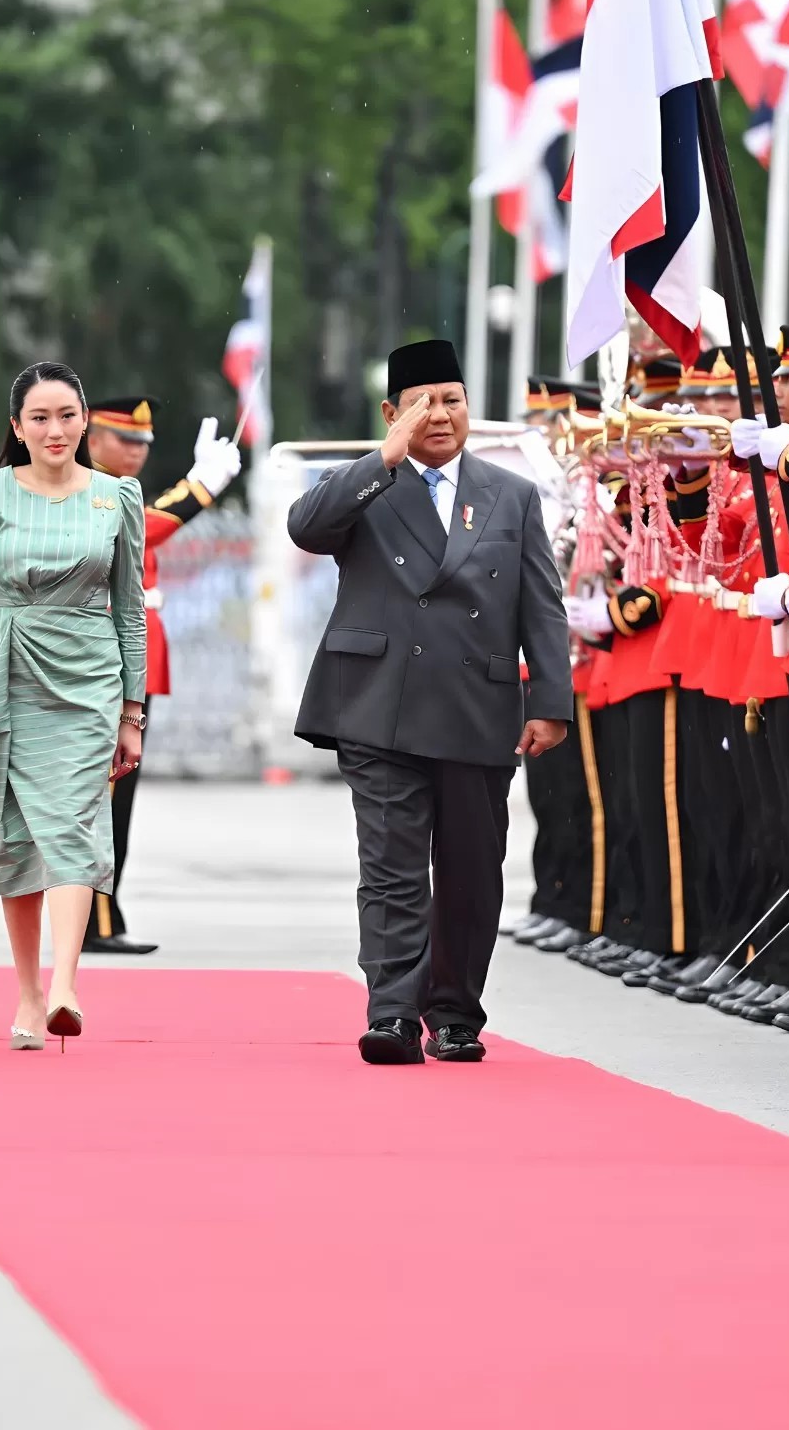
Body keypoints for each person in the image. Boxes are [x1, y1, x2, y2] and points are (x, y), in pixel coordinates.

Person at [287, 338, 572, 1064]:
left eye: (452, 400)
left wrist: (550, 700)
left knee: (472, 873)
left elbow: (541, 605)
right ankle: (390, 1012)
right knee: (391, 868)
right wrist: (382, 459)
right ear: (392, 414)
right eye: (422, 404)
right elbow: (306, 527)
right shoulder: (367, 483)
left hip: (477, 706)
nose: (439, 415)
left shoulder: (511, 495)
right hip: (378, 706)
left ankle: (454, 1014)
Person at [0, 362, 149, 1051]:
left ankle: (65, 985)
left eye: (66, 415)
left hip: (88, 681)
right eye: (39, 417)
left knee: (71, 823)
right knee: (13, 835)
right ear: (17, 427)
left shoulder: (117, 498)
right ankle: (29, 993)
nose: (55, 429)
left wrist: (131, 713)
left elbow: (129, 613)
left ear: (85, 420)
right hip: (2, 675)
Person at [80, 395, 244, 955]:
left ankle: (103, 914)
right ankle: (96, 920)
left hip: (133, 659)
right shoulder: (86, 491)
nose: (137, 451)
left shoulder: (116, 490)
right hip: (102, 661)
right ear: (92, 438)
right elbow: (144, 529)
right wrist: (200, 486)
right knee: (105, 795)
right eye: (125, 439)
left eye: (143, 442)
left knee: (117, 794)